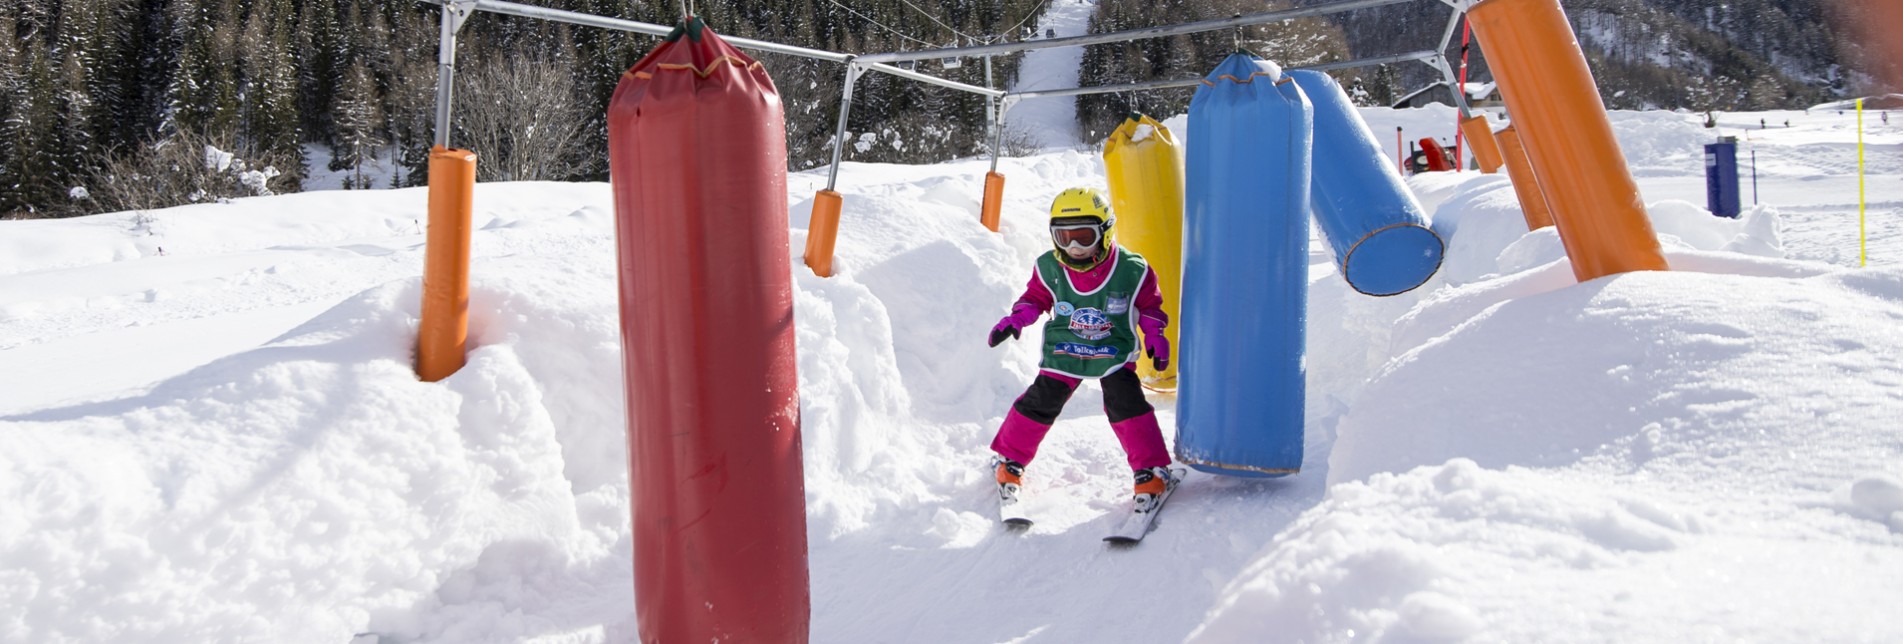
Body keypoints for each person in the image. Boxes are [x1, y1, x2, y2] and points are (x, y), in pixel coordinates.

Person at [985, 187, 1175, 507]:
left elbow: (1150, 307)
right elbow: (1035, 298)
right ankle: (1009, 460)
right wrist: (1016, 319)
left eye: (1084, 236)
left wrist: (1155, 334)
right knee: (1041, 399)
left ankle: (1150, 469)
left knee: (1124, 401)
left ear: (1105, 230)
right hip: (1067, 347)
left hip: (1112, 347)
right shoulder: (1049, 267)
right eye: (1064, 237)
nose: (1073, 247)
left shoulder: (1132, 269)